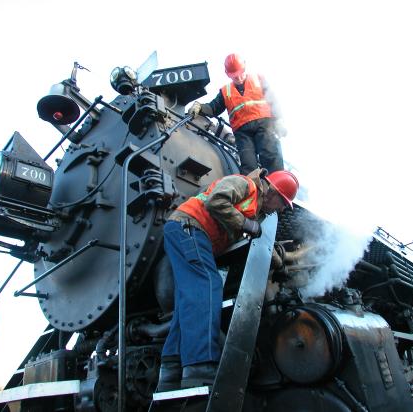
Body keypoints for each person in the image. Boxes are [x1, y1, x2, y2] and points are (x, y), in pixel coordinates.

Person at [156, 168, 299, 391]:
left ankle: (171, 370)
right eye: (282, 202)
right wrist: (244, 224)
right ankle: (200, 363)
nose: (281, 208)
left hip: (192, 232)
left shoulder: (257, 211)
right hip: (190, 225)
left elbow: (258, 237)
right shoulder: (244, 185)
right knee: (207, 285)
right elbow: (216, 201)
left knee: (189, 301)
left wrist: (279, 263)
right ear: (272, 191)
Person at [188, 53, 286, 175]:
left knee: (271, 156)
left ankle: (278, 187)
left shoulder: (259, 79)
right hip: (243, 133)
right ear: (228, 74)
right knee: (248, 167)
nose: (239, 79)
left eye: (240, 74)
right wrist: (200, 106)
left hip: (264, 125)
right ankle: (252, 190)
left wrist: (279, 120)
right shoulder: (225, 91)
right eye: (235, 77)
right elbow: (213, 108)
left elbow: (273, 99)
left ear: (244, 68)